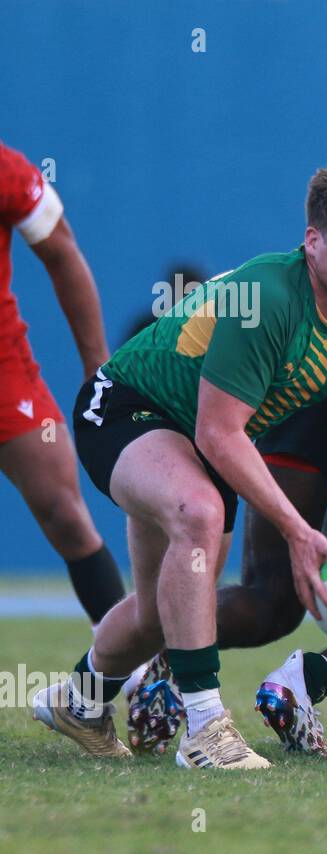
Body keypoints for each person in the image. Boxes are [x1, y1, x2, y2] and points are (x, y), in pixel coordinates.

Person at [32, 161, 327, 770]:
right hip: (126, 407)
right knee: (199, 511)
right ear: (313, 242)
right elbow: (218, 430)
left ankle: (78, 701)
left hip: (196, 437)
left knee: (162, 615)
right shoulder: (267, 297)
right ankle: (206, 730)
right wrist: (297, 530)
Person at [0, 140, 124, 624]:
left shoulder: (7, 169)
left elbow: (63, 253)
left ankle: (133, 673)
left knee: (64, 512)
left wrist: (97, 369)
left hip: (5, 370)